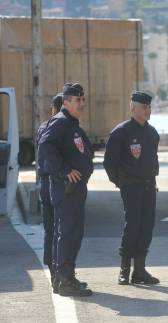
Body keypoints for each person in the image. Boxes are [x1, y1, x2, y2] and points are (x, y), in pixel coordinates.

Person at [38, 83, 94, 297]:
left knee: (73, 233)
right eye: (78, 100)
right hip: (66, 189)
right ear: (67, 102)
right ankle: (63, 279)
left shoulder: (72, 124)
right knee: (67, 233)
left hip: (75, 190)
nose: (82, 103)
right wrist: (64, 170)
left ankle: (67, 277)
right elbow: (45, 147)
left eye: (83, 99)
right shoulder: (60, 123)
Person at [103, 91, 160, 285]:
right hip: (131, 186)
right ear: (133, 108)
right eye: (144, 107)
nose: (148, 110)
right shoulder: (121, 132)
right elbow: (109, 163)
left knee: (147, 227)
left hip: (149, 186)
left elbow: (152, 160)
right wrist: (121, 182)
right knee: (132, 225)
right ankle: (124, 270)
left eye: (149, 107)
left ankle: (140, 270)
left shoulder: (152, 133)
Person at [36, 93, 62, 289]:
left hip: (44, 183)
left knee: (49, 230)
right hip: (57, 183)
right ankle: (60, 272)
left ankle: (54, 271)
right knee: (63, 230)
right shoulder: (63, 128)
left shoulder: (43, 127)